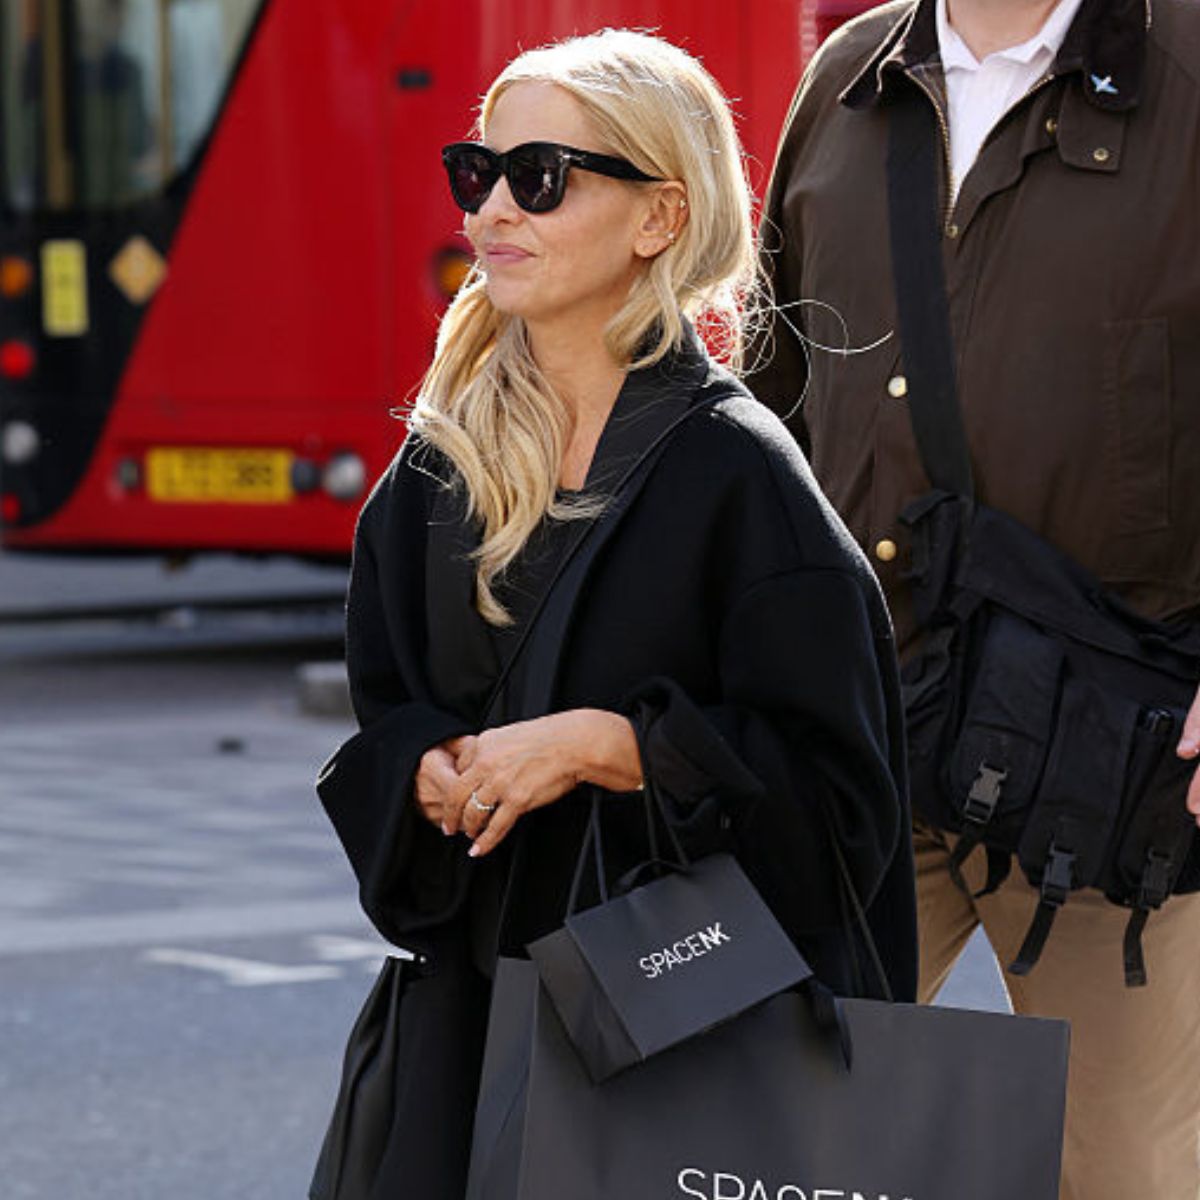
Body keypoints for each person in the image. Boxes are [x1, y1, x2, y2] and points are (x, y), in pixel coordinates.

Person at [316, 27, 917, 1200]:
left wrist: (617, 748)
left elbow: (847, 808)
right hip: (465, 1034)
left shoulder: (738, 472)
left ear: (658, 217)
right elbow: (383, 716)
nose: (493, 210)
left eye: (538, 179)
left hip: (675, 1040)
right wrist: (425, 765)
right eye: (474, 174)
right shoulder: (435, 469)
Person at [752, 0, 1200, 1196]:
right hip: (854, 735)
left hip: (1109, 768)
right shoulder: (849, 73)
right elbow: (768, 394)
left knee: (1121, 1174)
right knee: (758, 1141)